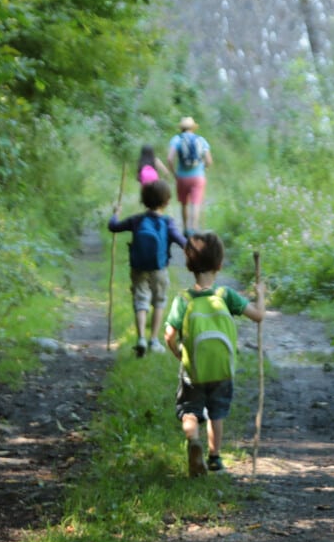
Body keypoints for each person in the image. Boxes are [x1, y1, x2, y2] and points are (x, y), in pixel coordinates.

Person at [164, 231, 264, 476]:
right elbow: (258, 316)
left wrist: (179, 353)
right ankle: (215, 457)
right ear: (219, 265)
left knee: (190, 410)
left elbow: (169, 334)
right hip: (221, 369)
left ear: (189, 265)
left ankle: (192, 441)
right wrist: (260, 294)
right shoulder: (226, 295)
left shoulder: (183, 299)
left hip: (193, 368)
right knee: (216, 413)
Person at [108, 180, 187, 357]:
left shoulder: (137, 220)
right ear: (166, 202)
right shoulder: (167, 222)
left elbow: (113, 226)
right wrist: (194, 249)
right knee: (159, 301)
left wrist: (116, 213)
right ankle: (154, 340)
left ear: (143, 201)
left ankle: (141, 338)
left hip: (138, 268)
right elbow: (182, 241)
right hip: (159, 269)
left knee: (140, 300)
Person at [167, 116, 212, 234]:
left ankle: (186, 229)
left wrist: (174, 173)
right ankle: (194, 228)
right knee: (196, 203)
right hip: (198, 177)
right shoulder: (201, 140)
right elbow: (209, 161)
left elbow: (170, 159)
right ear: (193, 128)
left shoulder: (176, 139)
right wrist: (204, 168)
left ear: (181, 128)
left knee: (184, 204)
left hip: (182, 177)